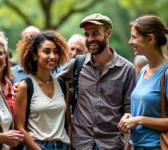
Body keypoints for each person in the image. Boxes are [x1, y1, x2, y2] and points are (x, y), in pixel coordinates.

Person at [58, 13, 136, 150]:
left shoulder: (127, 69)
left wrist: (128, 147)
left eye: (95, 33)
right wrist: (22, 85)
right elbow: (50, 82)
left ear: (108, 33)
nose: (90, 39)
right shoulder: (77, 65)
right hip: (80, 144)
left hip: (112, 145)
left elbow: (130, 111)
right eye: (87, 34)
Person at [118, 15, 168, 149]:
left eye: (134, 37)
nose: (130, 41)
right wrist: (131, 117)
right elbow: (148, 110)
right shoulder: (144, 71)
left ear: (150, 39)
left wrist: (140, 120)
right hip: (136, 146)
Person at [14, 31, 71, 150]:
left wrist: (68, 146)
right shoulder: (25, 86)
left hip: (62, 146)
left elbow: (68, 123)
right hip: (36, 146)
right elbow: (19, 127)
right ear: (35, 56)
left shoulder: (62, 85)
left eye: (55, 52)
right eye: (46, 51)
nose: (52, 56)